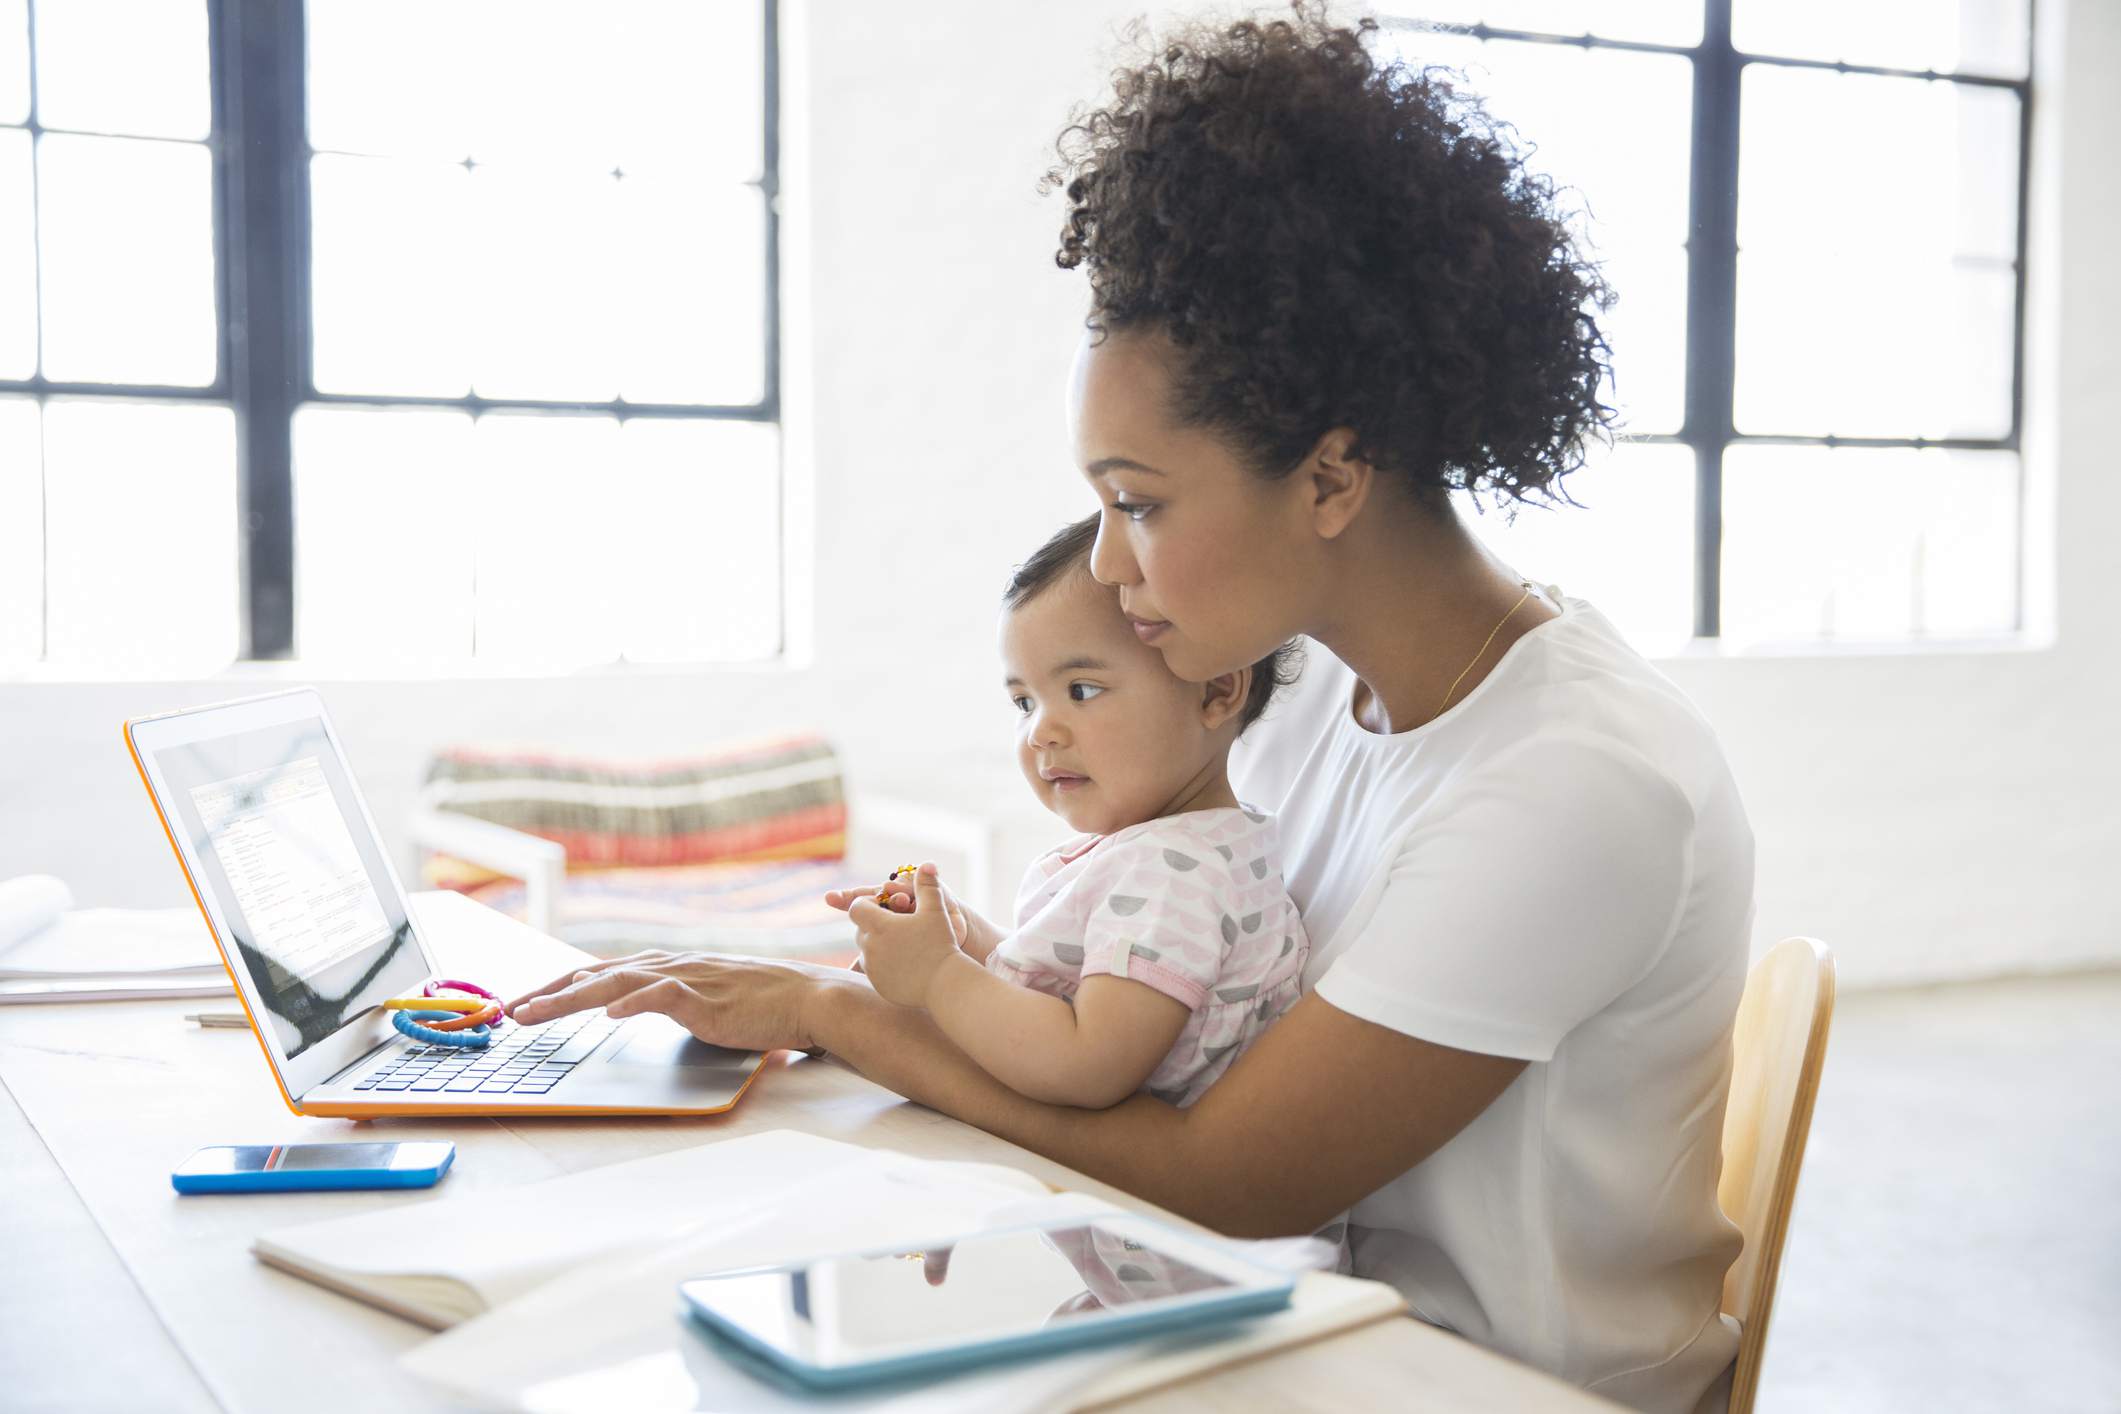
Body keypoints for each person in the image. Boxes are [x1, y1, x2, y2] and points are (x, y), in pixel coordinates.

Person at [508, 10, 1751, 1410]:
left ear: (1333, 478)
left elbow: (1229, 1175)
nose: (1107, 565)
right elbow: (1182, 1018)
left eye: (1140, 504)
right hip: (1261, 1316)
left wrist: (841, 1013)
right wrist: (960, 972)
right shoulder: (1292, 703)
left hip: (1454, 1379)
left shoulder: (1574, 781)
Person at [826, 515, 1313, 1116]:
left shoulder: (1173, 872)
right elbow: (1084, 992)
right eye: (1023, 702)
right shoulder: (1195, 847)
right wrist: (970, 940)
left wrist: (938, 976)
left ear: (1215, 692)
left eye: (1080, 690)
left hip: (1129, 1195)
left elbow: (1087, 1062)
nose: (1040, 732)